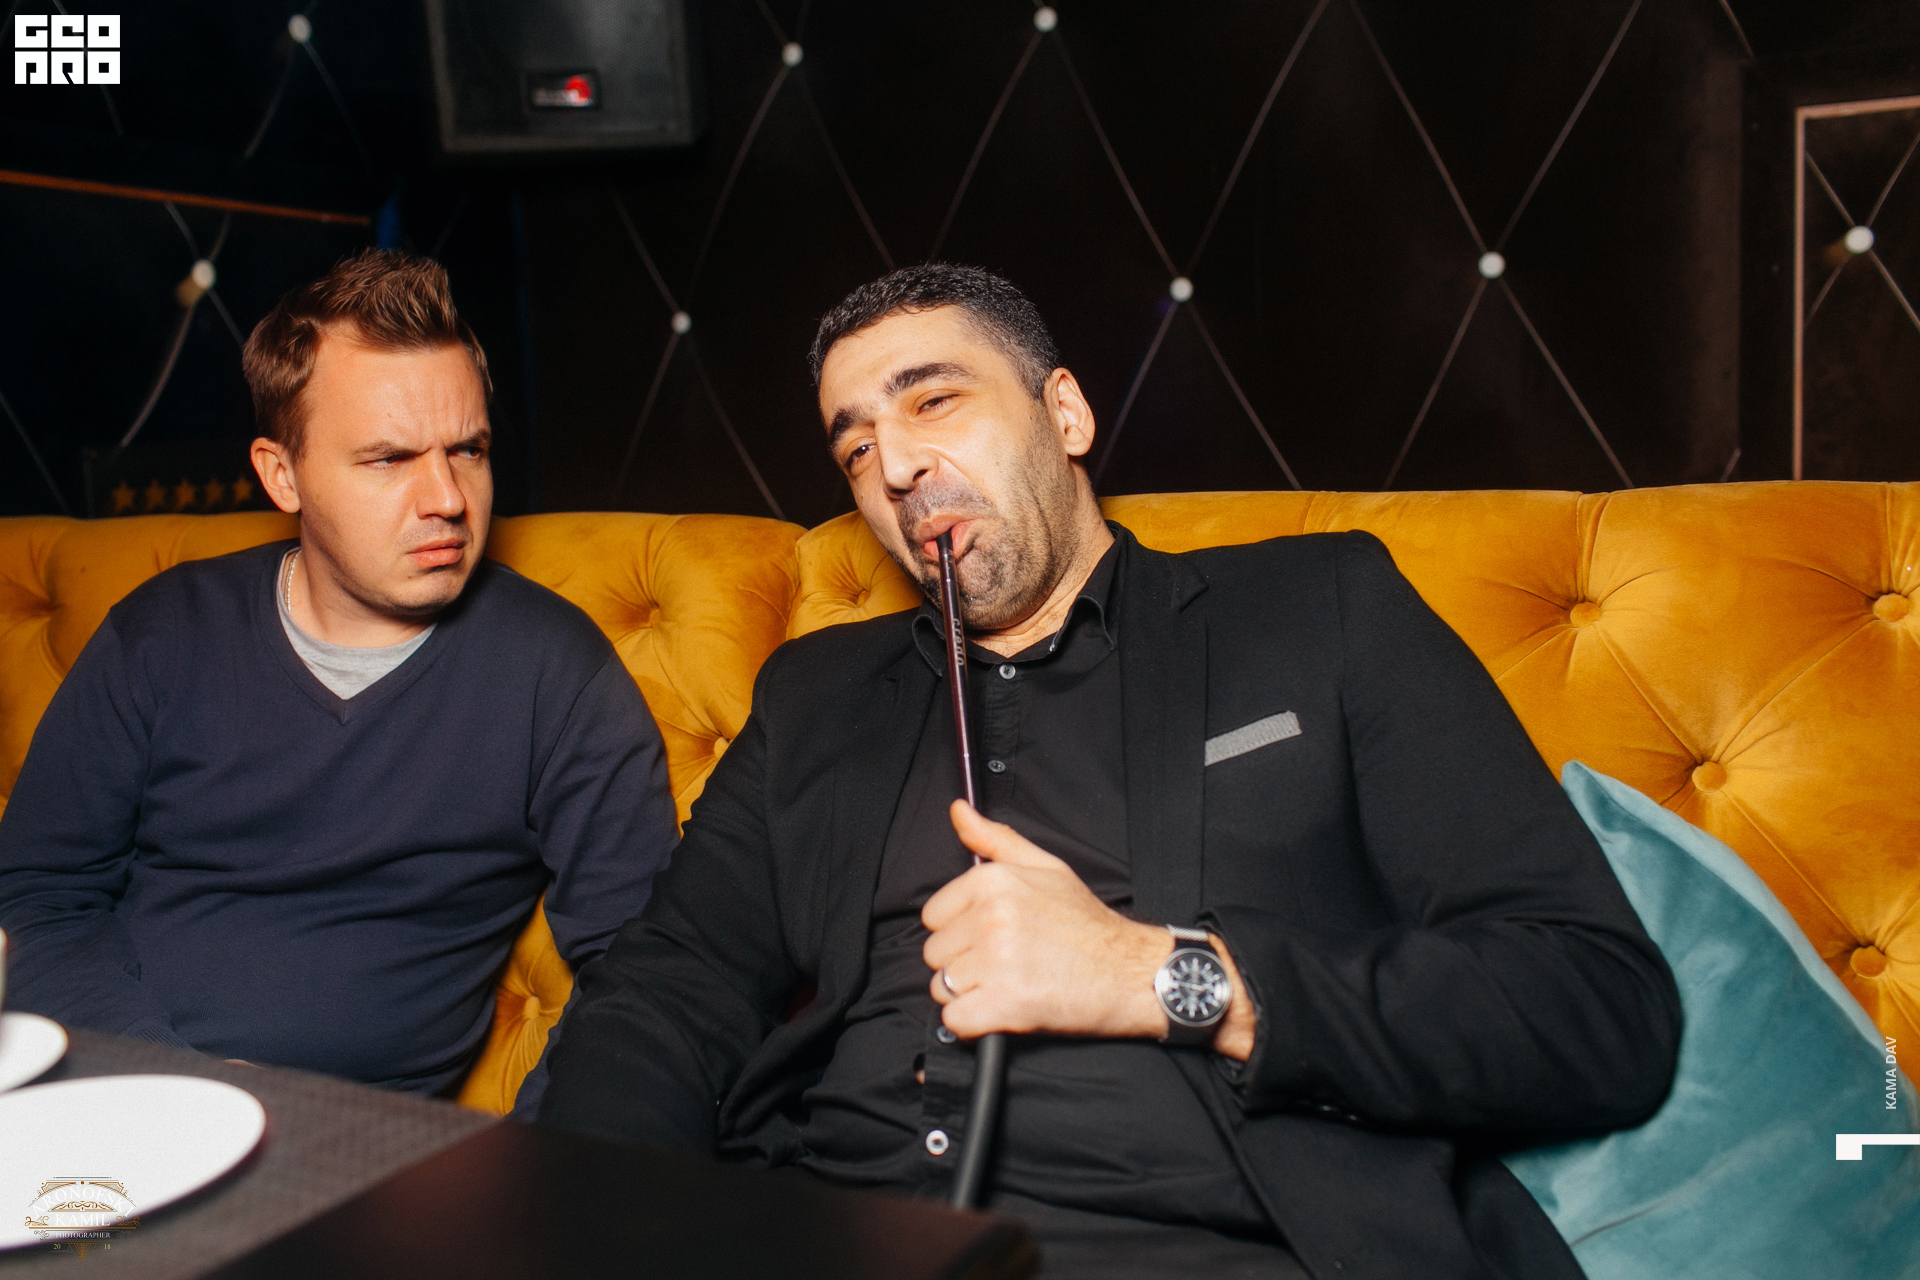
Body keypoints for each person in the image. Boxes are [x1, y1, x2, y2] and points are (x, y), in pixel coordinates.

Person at [537, 264, 1681, 1278]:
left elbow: (1595, 1004)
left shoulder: (1320, 612)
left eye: (934, 400)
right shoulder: (818, 695)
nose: (898, 465)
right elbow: (664, 992)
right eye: (855, 447)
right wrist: (615, 1229)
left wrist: (1164, 975)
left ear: (1066, 412)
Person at [0, 250, 677, 1099]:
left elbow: (645, 967)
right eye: (389, 459)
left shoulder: (556, 671)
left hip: (349, 1144)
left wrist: (522, 1157)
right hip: (108, 1091)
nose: (447, 499)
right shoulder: (161, 633)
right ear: (281, 474)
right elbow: (37, 895)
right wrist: (168, 1085)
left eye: (468, 449)